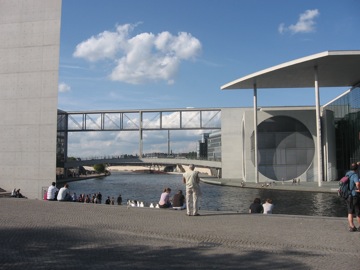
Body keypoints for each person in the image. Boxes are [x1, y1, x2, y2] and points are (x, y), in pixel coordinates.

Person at [346, 163, 360, 232]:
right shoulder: (355, 175)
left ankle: (352, 227)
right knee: (358, 211)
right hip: (354, 195)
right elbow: (357, 183)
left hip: (348, 195)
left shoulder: (347, 174)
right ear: (356, 169)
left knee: (350, 212)